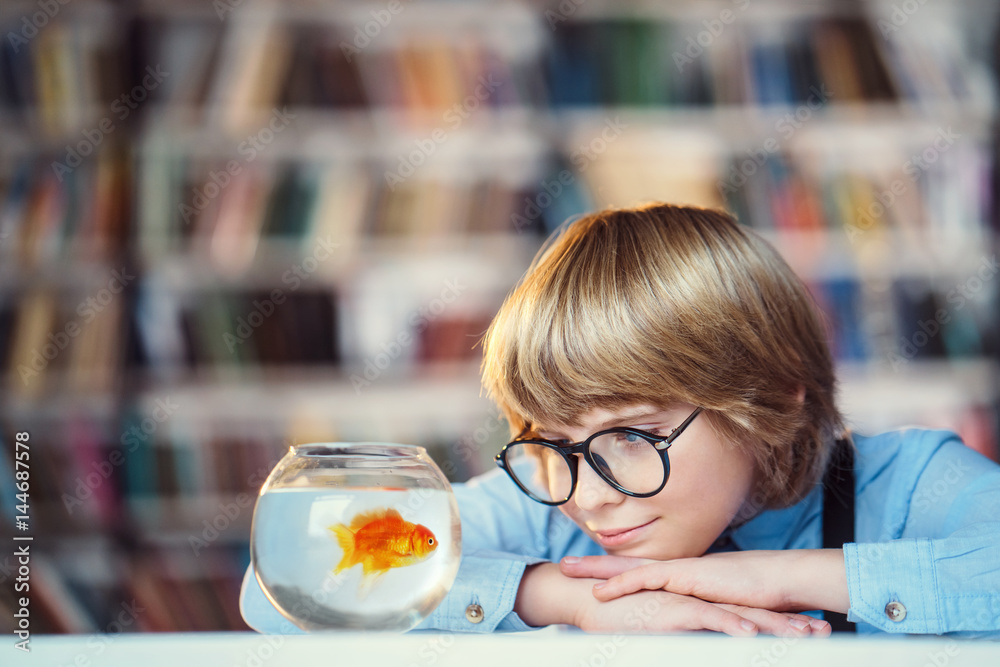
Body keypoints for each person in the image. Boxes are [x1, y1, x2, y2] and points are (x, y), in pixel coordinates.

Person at [240, 203, 1000, 638]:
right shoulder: (548, 514)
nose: (591, 496)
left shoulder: (907, 484)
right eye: (552, 442)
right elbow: (281, 587)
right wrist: (557, 596)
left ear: (777, 395)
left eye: (632, 436)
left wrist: (767, 578)